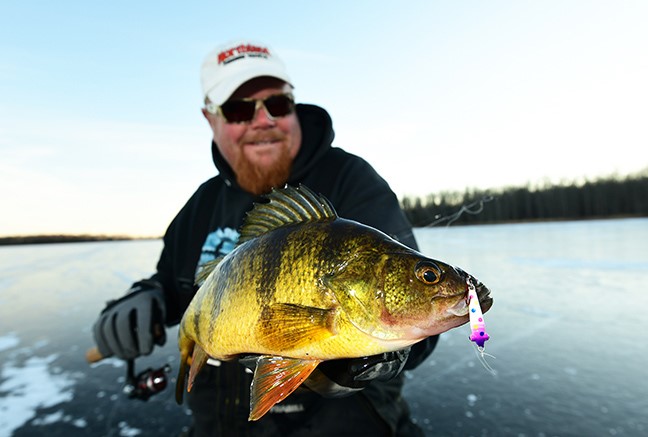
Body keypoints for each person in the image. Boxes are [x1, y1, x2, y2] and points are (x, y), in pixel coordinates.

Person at [92, 40, 438, 437]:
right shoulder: (201, 206)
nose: (263, 120)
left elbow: (414, 311)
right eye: (240, 109)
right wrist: (145, 296)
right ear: (210, 118)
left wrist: (371, 360)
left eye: (277, 104)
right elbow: (175, 288)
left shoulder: (351, 182)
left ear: (293, 107)